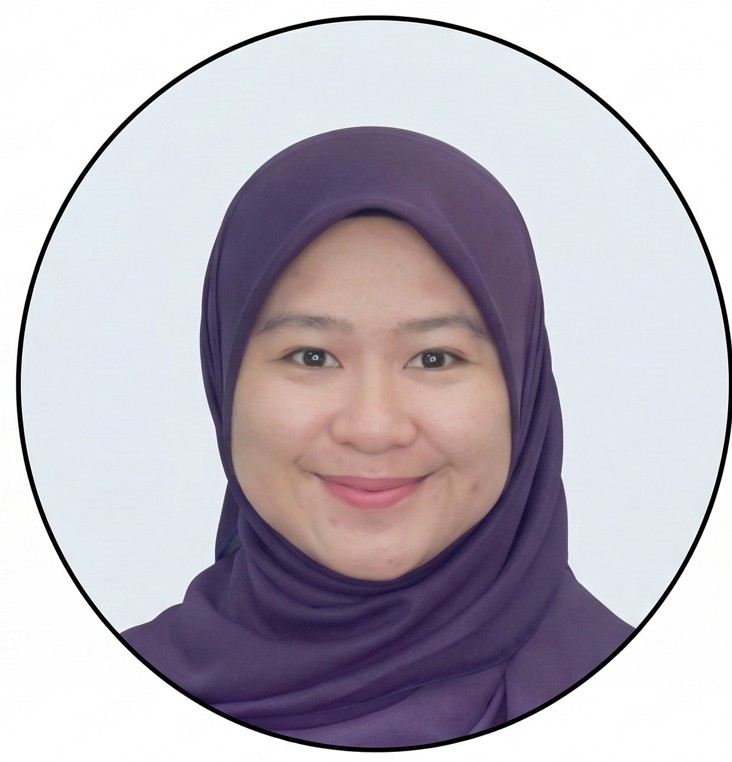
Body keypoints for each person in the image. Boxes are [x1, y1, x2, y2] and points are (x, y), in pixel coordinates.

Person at [122, 126, 632, 748]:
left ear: (522, 390)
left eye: (435, 358)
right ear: (224, 379)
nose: (373, 428)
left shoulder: (661, 716)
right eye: (312, 356)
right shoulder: (87, 710)